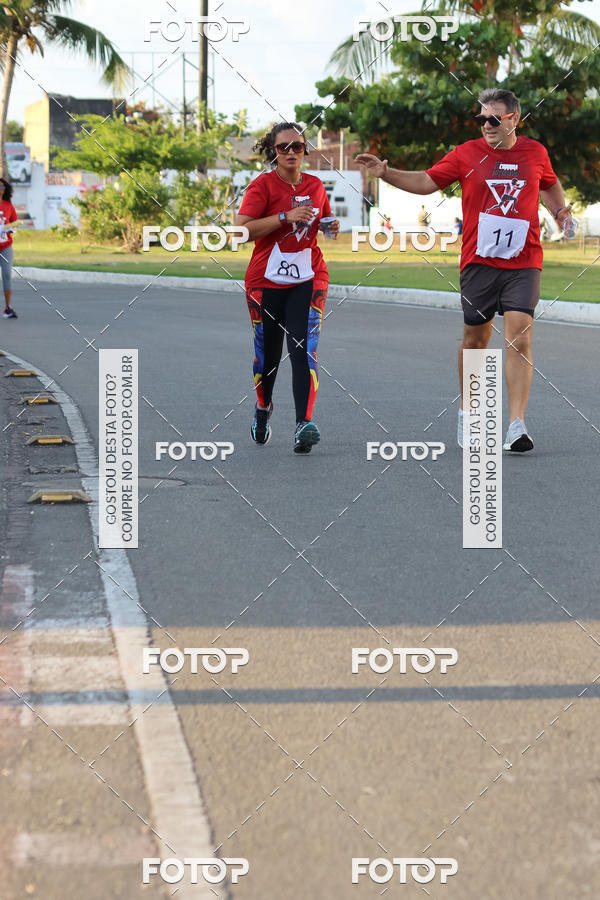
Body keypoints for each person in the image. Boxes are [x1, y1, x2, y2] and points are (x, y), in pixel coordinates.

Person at [357, 88, 575, 453]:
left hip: (524, 260)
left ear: (514, 120)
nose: (486, 125)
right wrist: (386, 173)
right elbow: (427, 181)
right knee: (476, 338)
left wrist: (560, 212)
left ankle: (516, 425)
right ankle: (469, 411)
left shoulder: (535, 152)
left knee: (520, 336)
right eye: (481, 119)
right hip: (479, 262)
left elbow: (549, 184)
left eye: (494, 119)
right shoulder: (467, 153)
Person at [235, 122, 340, 454]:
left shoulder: (316, 185)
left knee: (303, 350)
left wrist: (330, 225)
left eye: (297, 146)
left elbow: (322, 220)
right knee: (269, 358)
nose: (291, 152)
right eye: (284, 147)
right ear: (273, 152)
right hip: (265, 283)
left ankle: (303, 424)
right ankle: (263, 409)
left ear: (305, 149)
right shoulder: (262, 186)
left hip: (309, 278)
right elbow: (240, 231)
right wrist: (284, 217)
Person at [0, 178, 18, 319]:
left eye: (2, 187)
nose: (0, 189)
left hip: (5, 246)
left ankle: (8, 308)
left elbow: (15, 223)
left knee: (7, 275)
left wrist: (12, 229)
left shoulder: (8, 205)